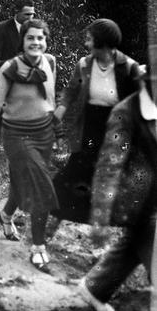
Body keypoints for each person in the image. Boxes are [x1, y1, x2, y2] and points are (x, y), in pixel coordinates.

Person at [0, 19, 59, 272]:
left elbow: (50, 100)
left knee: (20, 184)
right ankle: (39, 247)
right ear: (23, 41)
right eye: (31, 38)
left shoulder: (50, 62)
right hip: (17, 136)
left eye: (40, 38)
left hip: (44, 135)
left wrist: (58, 129)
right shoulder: (9, 68)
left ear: (46, 41)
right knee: (40, 186)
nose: (36, 42)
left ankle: (6, 216)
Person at [77, 62, 156, 311]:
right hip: (135, 201)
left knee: (134, 246)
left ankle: (94, 287)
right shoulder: (126, 112)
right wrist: (100, 214)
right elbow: (109, 166)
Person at [49, 19, 143, 229]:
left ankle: (113, 237)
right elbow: (72, 90)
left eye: (90, 38)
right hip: (89, 126)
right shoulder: (84, 64)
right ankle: (51, 223)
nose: (86, 43)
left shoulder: (128, 67)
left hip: (116, 128)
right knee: (74, 175)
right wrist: (60, 110)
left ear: (103, 41)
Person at [0, 0, 36, 157]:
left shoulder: (34, 31)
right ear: (17, 13)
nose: (30, 18)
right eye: (27, 14)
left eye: (33, 15)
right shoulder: (3, 28)